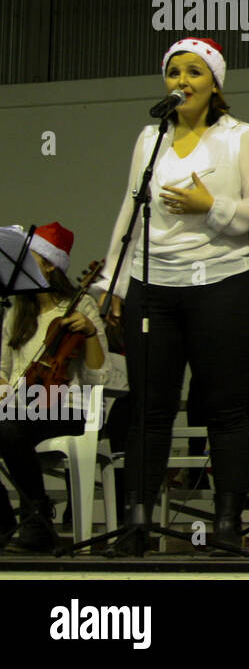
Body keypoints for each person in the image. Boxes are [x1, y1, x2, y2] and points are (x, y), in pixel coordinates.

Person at [97, 38, 249, 555]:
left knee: (224, 407)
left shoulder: (241, 136)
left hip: (222, 282)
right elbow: (130, 212)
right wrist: (114, 282)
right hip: (154, 287)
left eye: (195, 72)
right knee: (148, 408)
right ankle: (136, 522)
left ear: (215, 83)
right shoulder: (149, 138)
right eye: (174, 72)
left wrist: (211, 205)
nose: (183, 81)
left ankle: (225, 523)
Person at [0, 224, 112, 553]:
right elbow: (2, 368)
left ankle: (37, 518)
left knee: (7, 428)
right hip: (22, 403)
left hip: (68, 405)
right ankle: (7, 521)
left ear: (49, 265)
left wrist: (91, 333)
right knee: (8, 424)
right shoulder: (17, 311)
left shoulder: (81, 307)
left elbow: (99, 374)